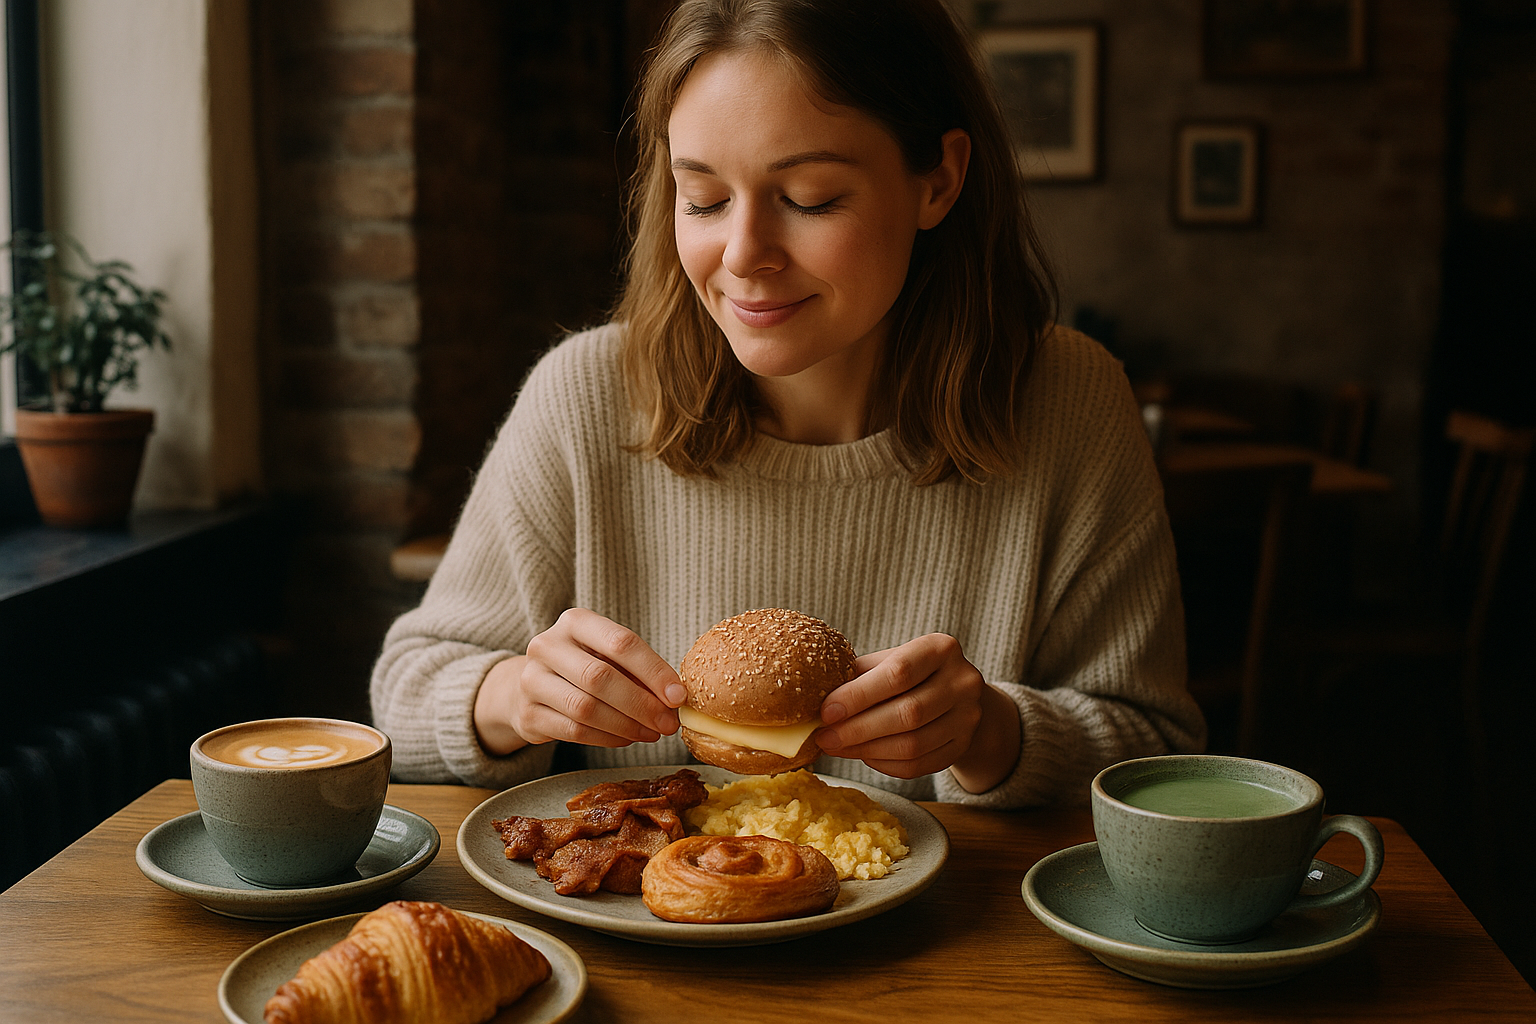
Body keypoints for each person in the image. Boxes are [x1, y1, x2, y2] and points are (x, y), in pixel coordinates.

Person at [370, 0, 1206, 805]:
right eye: (701, 198)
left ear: (939, 181)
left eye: (809, 198)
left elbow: (1160, 749)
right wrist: (513, 696)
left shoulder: (1071, 400)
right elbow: (403, 698)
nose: (742, 255)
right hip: (646, 946)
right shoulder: (583, 395)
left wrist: (994, 732)